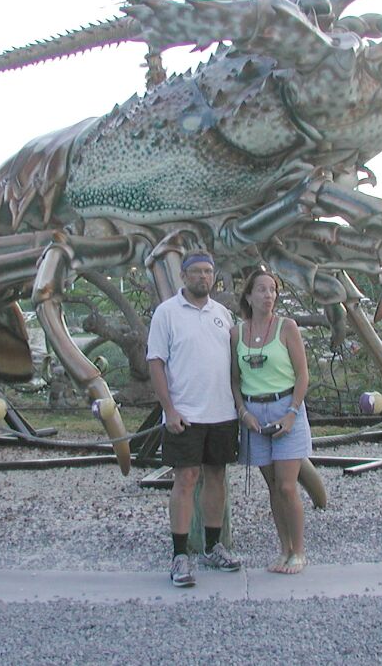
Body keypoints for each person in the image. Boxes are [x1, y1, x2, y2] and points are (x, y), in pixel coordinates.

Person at [147, 249, 242, 587]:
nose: (203, 277)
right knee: (185, 480)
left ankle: (214, 546)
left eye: (208, 271)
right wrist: (169, 409)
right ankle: (180, 554)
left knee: (216, 478)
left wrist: (240, 406)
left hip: (222, 413)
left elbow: (233, 364)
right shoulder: (167, 313)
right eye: (197, 271)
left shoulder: (223, 315)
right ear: (184, 276)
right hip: (184, 414)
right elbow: (156, 362)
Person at [230, 267, 312, 574]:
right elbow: (235, 380)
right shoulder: (238, 333)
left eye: (273, 290)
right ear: (249, 296)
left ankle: (300, 551)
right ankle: (284, 549)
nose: (268, 295)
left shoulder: (287, 327)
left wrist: (292, 413)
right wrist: (243, 412)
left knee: (288, 485)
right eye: (262, 289)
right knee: (274, 487)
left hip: (285, 408)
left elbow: (303, 374)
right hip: (254, 415)